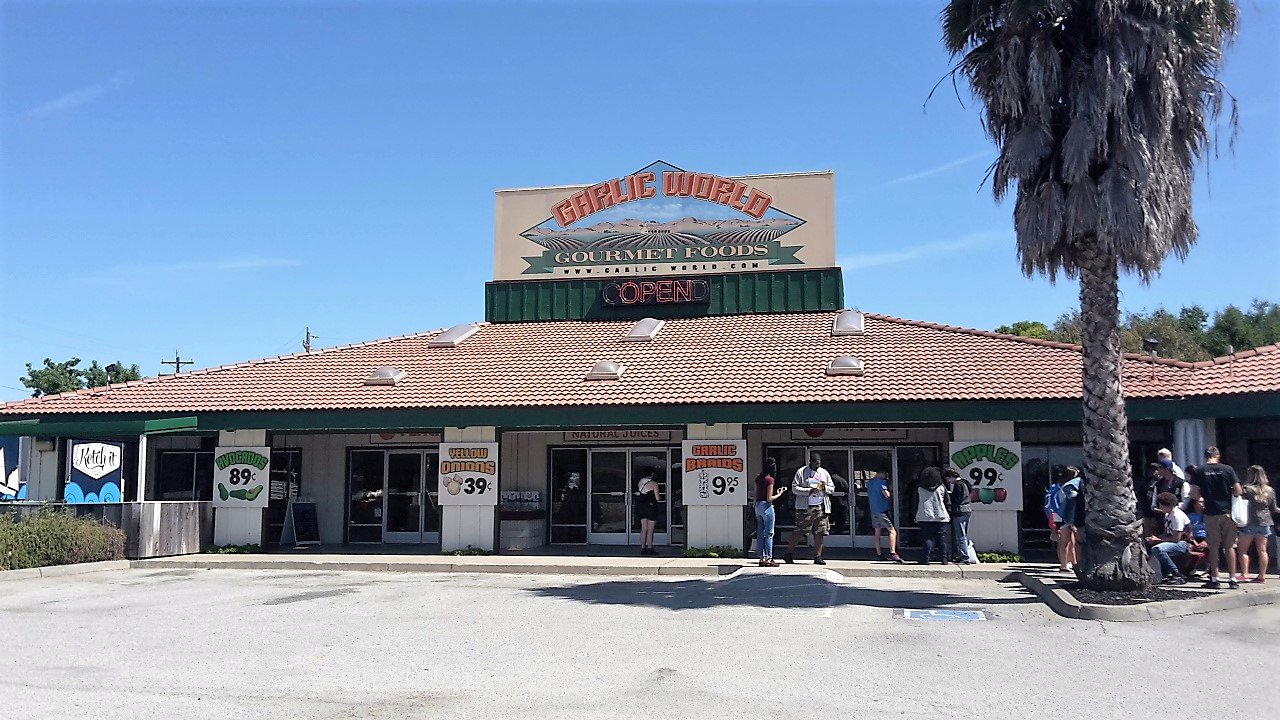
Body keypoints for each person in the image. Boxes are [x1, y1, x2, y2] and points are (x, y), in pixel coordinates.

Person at [1189, 446, 1243, 590]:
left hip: (1211, 512)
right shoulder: (1228, 469)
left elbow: (1194, 494)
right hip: (1228, 513)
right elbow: (1238, 490)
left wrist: (1202, 497)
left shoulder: (1199, 471)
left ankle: (1215, 578)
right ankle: (1232, 579)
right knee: (1230, 546)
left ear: (1206, 456)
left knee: (1213, 547)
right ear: (1218, 456)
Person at [785, 452, 834, 565]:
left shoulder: (823, 473)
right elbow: (794, 488)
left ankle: (818, 556)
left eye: (819, 463)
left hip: (821, 506)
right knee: (799, 531)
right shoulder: (801, 472)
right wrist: (809, 491)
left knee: (820, 532)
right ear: (810, 462)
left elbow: (832, 488)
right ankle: (788, 553)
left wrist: (824, 488)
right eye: (816, 463)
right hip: (805, 508)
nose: (818, 465)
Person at [1236, 465, 1278, 584]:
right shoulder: (1269, 490)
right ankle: (1261, 576)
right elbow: (1273, 508)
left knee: (1243, 550)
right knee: (1263, 550)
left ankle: (1245, 574)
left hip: (1250, 521)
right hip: (1265, 522)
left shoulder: (1247, 489)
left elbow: (1238, 500)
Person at [1144, 492, 1191, 585]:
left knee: (1157, 549)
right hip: (1174, 541)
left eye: (1160, 505)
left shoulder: (1176, 516)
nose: (1159, 508)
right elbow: (1168, 534)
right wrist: (1155, 538)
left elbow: (1176, 538)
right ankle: (1164, 573)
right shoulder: (1168, 514)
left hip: (1184, 543)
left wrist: (1158, 540)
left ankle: (1176, 574)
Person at [753, 458, 787, 567]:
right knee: (769, 534)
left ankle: (761, 557)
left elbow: (755, 494)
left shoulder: (758, 478)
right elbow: (769, 498)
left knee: (760, 532)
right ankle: (769, 557)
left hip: (758, 506)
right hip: (766, 507)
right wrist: (780, 493)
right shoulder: (770, 479)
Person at [866, 469, 904, 563]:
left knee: (877, 531)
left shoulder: (870, 483)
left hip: (873, 510)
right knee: (892, 531)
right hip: (882, 510)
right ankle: (893, 552)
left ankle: (878, 553)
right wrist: (890, 492)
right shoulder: (881, 482)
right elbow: (886, 494)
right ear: (881, 474)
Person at [915, 466, 950, 565]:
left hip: (924, 515)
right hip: (940, 515)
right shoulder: (941, 488)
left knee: (927, 538)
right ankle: (944, 559)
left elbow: (915, 502)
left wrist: (915, 514)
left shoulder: (920, 489)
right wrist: (949, 512)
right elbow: (947, 502)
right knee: (942, 539)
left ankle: (926, 558)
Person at [944, 467, 974, 564]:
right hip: (967, 509)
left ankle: (964, 556)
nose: (948, 481)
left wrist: (949, 495)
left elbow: (956, 498)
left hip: (959, 511)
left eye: (948, 478)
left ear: (951, 476)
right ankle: (962, 554)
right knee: (964, 534)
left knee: (960, 535)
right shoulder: (965, 482)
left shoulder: (957, 485)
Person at [1056, 467, 1083, 573]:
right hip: (1064, 516)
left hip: (1062, 516)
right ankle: (1064, 565)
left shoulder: (1059, 486)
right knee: (1065, 541)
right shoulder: (1071, 486)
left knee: (1069, 541)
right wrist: (1076, 496)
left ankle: (1073, 563)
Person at [635, 471, 662, 556]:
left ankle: (643, 548)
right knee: (650, 530)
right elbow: (657, 498)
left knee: (644, 529)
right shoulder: (653, 484)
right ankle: (649, 548)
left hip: (641, 507)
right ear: (652, 475)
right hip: (651, 507)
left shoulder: (640, 482)